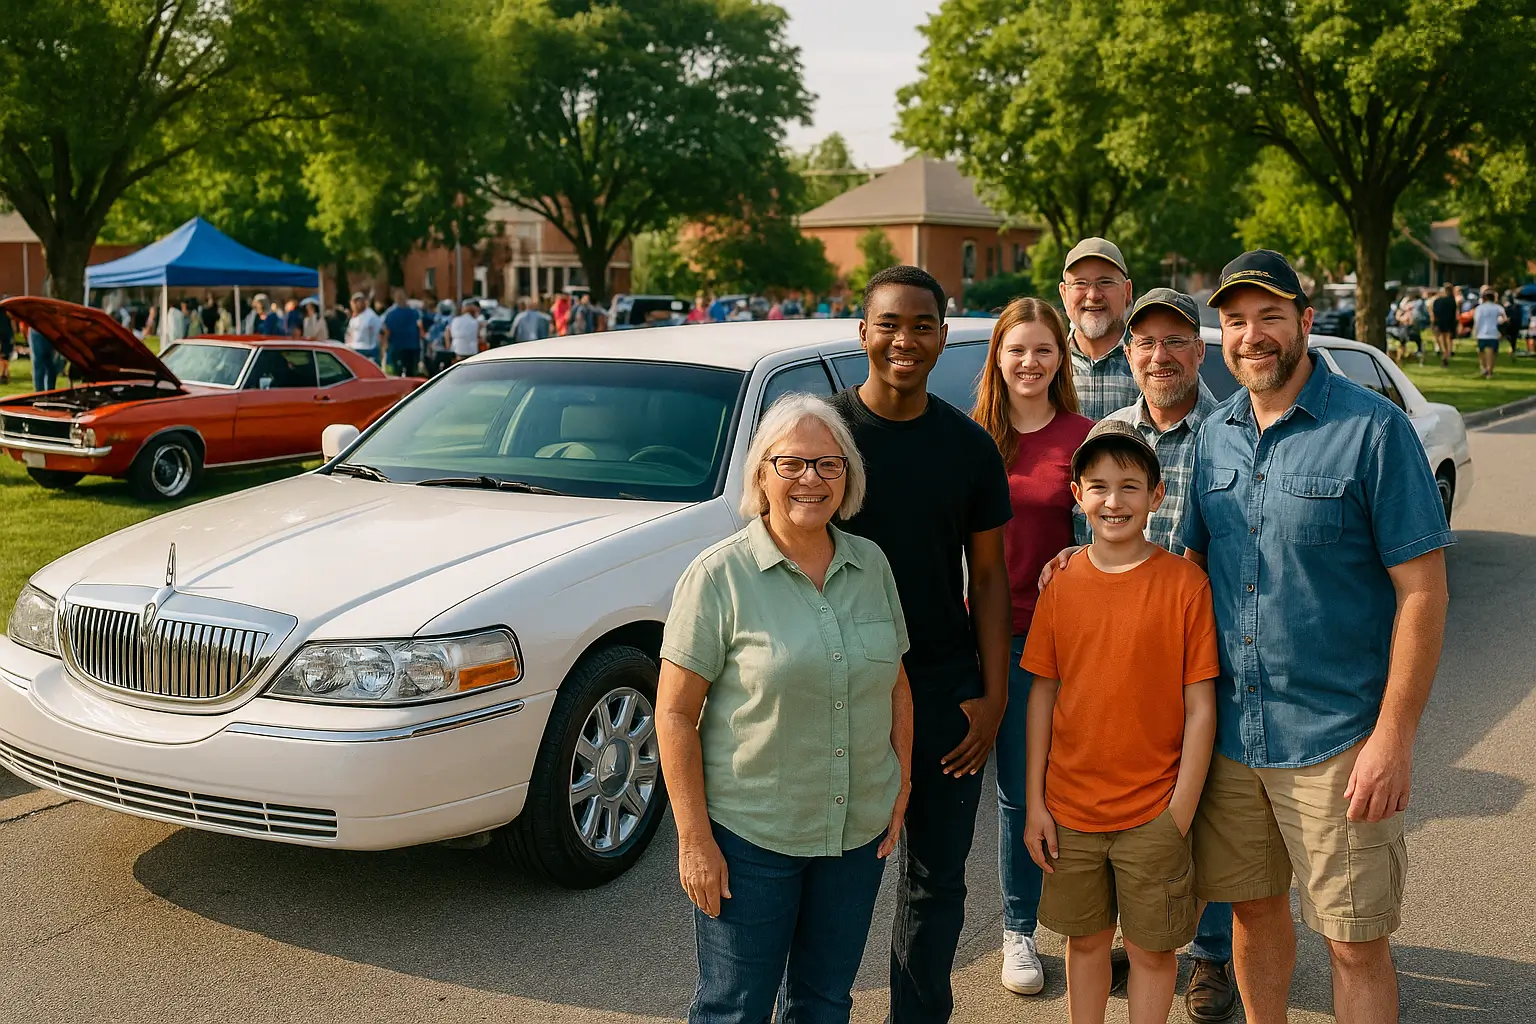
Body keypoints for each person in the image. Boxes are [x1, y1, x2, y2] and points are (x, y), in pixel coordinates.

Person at [1184, 249, 1454, 1024]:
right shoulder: (1216, 436)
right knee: (1252, 915)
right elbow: (1189, 569)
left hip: (1338, 740)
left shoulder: (1375, 431)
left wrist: (1394, 737)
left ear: (1307, 322)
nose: (1251, 335)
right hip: (1233, 738)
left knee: (1353, 943)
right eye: (1235, 321)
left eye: (1270, 316)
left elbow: (1423, 591)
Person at [658, 394, 913, 1024]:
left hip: (856, 833)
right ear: (761, 475)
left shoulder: (871, 564)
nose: (811, 480)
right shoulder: (718, 576)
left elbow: (896, 684)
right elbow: (672, 715)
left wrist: (901, 785)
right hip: (751, 837)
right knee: (735, 1008)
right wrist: (694, 840)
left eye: (829, 465)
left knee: (825, 1002)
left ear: (847, 477)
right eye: (792, 463)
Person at [829, 265, 1013, 1024]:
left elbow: (992, 578)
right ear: (863, 331)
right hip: (840, 685)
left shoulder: (968, 447)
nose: (905, 340)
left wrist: (993, 695)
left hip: (942, 688)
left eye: (922, 326)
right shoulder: (826, 438)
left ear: (943, 336)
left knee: (936, 882)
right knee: (835, 877)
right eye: (890, 324)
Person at [1022, 418, 1218, 1024]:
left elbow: (1201, 705)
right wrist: (1035, 803)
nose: (1115, 500)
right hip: (1070, 808)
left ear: (1158, 497)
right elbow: (1042, 696)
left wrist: (1181, 807)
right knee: (1085, 943)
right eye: (1099, 486)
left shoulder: (1185, 585)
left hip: (1155, 810)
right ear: (1077, 495)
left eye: (1131, 486)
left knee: (1152, 950)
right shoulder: (1061, 583)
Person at [969, 296, 1091, 997]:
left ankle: (1026, 927)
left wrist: (1074, 553)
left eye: (1043, 349)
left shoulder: (1083, 434)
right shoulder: (971, 436)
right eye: (1017, 349)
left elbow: (1112, 519)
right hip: (970, 634)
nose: (1029, 361)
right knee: (970, 789)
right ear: (998, 357)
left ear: (1059, 358)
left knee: (1030, 788)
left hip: (1050, 640)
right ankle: (1019, 923)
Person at [1059, 237, 1138, 420]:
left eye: (1105, 282)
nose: (1093, 295)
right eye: (1080, 283)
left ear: (1127, 291)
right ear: (1064, 293)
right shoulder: (1048, 364)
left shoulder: (1151, 365)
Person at [381, 289, 423, 377]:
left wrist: (384, 346)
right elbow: (420, 328)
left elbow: (386, 331)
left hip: (397, 347)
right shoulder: (414, 313)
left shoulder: (390, 314)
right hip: (412, 347)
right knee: (411, 373)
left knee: (396, 373)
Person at [1472, 287, 1506, 379]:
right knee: (1492, 352)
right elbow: (1504, 318)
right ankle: (1490, 371)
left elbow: (1476, 321)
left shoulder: (1479, 308)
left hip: (1481, 332)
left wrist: (1475, 332)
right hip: (1493, 332)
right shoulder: (1497, 307)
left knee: (1481, 351)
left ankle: (1483, 367)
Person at [344, 292, 384, 365]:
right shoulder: (354, 318)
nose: (354, 306)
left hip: (368, 350)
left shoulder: (371, 317)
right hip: (354, 349)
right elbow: (350, 334)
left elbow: (380, 334)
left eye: (356, 303)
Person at [27, 322, 58, 392]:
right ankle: (40, 394)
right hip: (39, 328)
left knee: (51, 365)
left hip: (52, 328)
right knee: (40, 363)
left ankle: (49, 394)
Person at [1500, 290, 1523, 363]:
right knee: (1513, 339)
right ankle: (1512, 351)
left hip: (1510, 325)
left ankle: (1512, 351)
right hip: (1515, 325)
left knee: (1510, 338)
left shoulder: (1508, 307)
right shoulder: (1518, 307)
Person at [0, 299, 14, 385]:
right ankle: (4, 373)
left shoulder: (5, 308)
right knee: (4, 354)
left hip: (5, 332)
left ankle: (4, 373)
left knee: (4, 354)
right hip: (5, 332)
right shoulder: (6, 308)